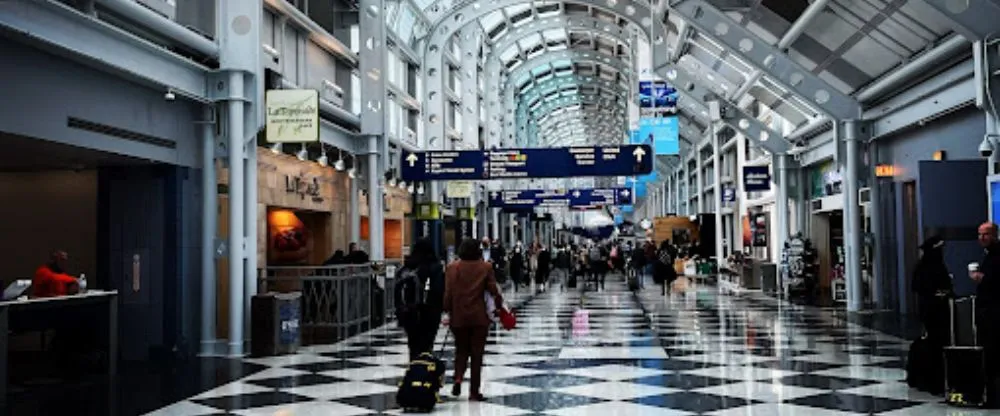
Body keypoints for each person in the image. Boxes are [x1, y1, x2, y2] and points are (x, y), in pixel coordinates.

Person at [443, 239, 503, 401]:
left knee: (461, 350)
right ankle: (474, 391)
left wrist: (447, 310)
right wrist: (499, 305)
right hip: (478, 317)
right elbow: (493, 290)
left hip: (458, 317)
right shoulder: (485, 267)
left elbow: (447, 294)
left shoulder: (451, 268)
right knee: (477, 354)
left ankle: (458, 378)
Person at [394, 239, 445, 360]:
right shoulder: (436, 267)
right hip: (430, 311)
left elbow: (398, 289)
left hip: (410, 312)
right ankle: (424, 371)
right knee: (427, 344)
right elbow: (439, 289)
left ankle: (414, 368)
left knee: (413, 344)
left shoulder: (407, 267)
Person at [972, 222, 1000, 406]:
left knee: (993, 354)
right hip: (987, 312)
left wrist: (981, 278)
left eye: (986, 234)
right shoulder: (989, 256)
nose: (982, 238)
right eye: (980, 234)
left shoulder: (996, 256)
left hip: (994, 314)